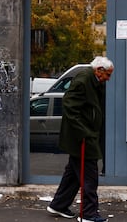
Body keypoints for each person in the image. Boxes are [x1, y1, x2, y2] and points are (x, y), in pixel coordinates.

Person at [47, 56, 114, 222]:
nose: (108, 78)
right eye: (108, 74)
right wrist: (84, 132)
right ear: (99, 70)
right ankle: (89, 214)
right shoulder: (84, 80)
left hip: (84, 135)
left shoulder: (96, 82)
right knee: (90, 175)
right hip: (82, 137)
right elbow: (69, 105)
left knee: (74, 174)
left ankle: (58, 205)